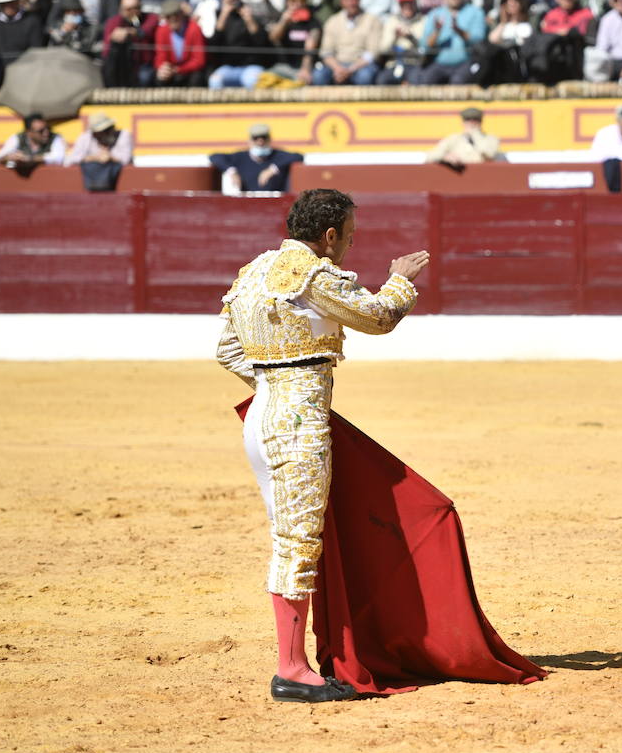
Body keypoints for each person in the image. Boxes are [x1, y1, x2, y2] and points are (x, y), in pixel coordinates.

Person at [215, 188, 428, 703]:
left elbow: (225, 349)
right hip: (297, 424)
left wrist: (275, 384)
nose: (350, 246)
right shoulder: (312, 274)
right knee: (297, 541)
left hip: (263, 416)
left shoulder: (254, 271)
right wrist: (400, 280)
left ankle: (296, 661)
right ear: (329, 236)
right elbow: (377, 318)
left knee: (294, 535)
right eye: (349, 237)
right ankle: (291, 669)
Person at [413, 0, 486, 85]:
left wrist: (459, 31)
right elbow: (424, 45)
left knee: (458, 82)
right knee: (423, 81)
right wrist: (437, 32)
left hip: (467, 62)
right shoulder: (435, 14)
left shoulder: (476, 12)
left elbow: (479, 39)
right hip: (439, 64)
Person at [314, 0, 381, 86]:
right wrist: (338, 69)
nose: (351, 3)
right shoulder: (332, 21)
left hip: (360, 66)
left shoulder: (372, 20)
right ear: (341, 1)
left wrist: (350, 70)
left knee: (365, 77)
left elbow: (372, 53)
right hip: (337, 65)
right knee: (318, 76)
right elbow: (326, 52)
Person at [211, 123, 304, 193]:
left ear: (269, 139)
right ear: (250, 141)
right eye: (256, 138)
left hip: (276, 205)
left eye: (264, 138)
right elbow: (214, 157)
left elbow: (298, 156)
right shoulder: (240, 157)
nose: (260, 142)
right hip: (247, 205)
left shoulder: (278, 156)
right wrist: (232, 171)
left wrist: (273, 169)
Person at [65, 113, 134, 191]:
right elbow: (70, 160)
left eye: (106, 130)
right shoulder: (86, 137)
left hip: (118, 183)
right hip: (91, 185)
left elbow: (126, 159)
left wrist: (111, 158)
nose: (102, 134)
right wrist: (93, 158)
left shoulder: (123, 135)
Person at [153, 0, 208, 87]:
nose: (172, 19)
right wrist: (163, 68)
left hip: (190, 71)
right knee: (159, 77)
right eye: (168, 17)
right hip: (172, 70)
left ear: (181, 14)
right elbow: (160, 56)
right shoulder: (161, 31)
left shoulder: (194, 29)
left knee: (197, 78)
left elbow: (199, 60)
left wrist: (178, 69)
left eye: (176, 15)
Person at [427, 107, 504, 167]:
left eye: (475, 120)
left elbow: (488, 155)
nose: (471, 123)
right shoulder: (453, 139)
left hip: (482, 177)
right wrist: (445, 157)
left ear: (481, 122)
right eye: (468, 120)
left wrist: (476, 134)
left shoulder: (491, 139)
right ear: (463, 122)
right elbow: (430, 156)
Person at [0, 112, 66, 176]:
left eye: (48, 128)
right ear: (29, 132)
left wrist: (31, 159)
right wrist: (11, 158)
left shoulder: (55, 137)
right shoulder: (17, 138)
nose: (46, 133)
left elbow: (58, 158)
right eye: (41, 131)